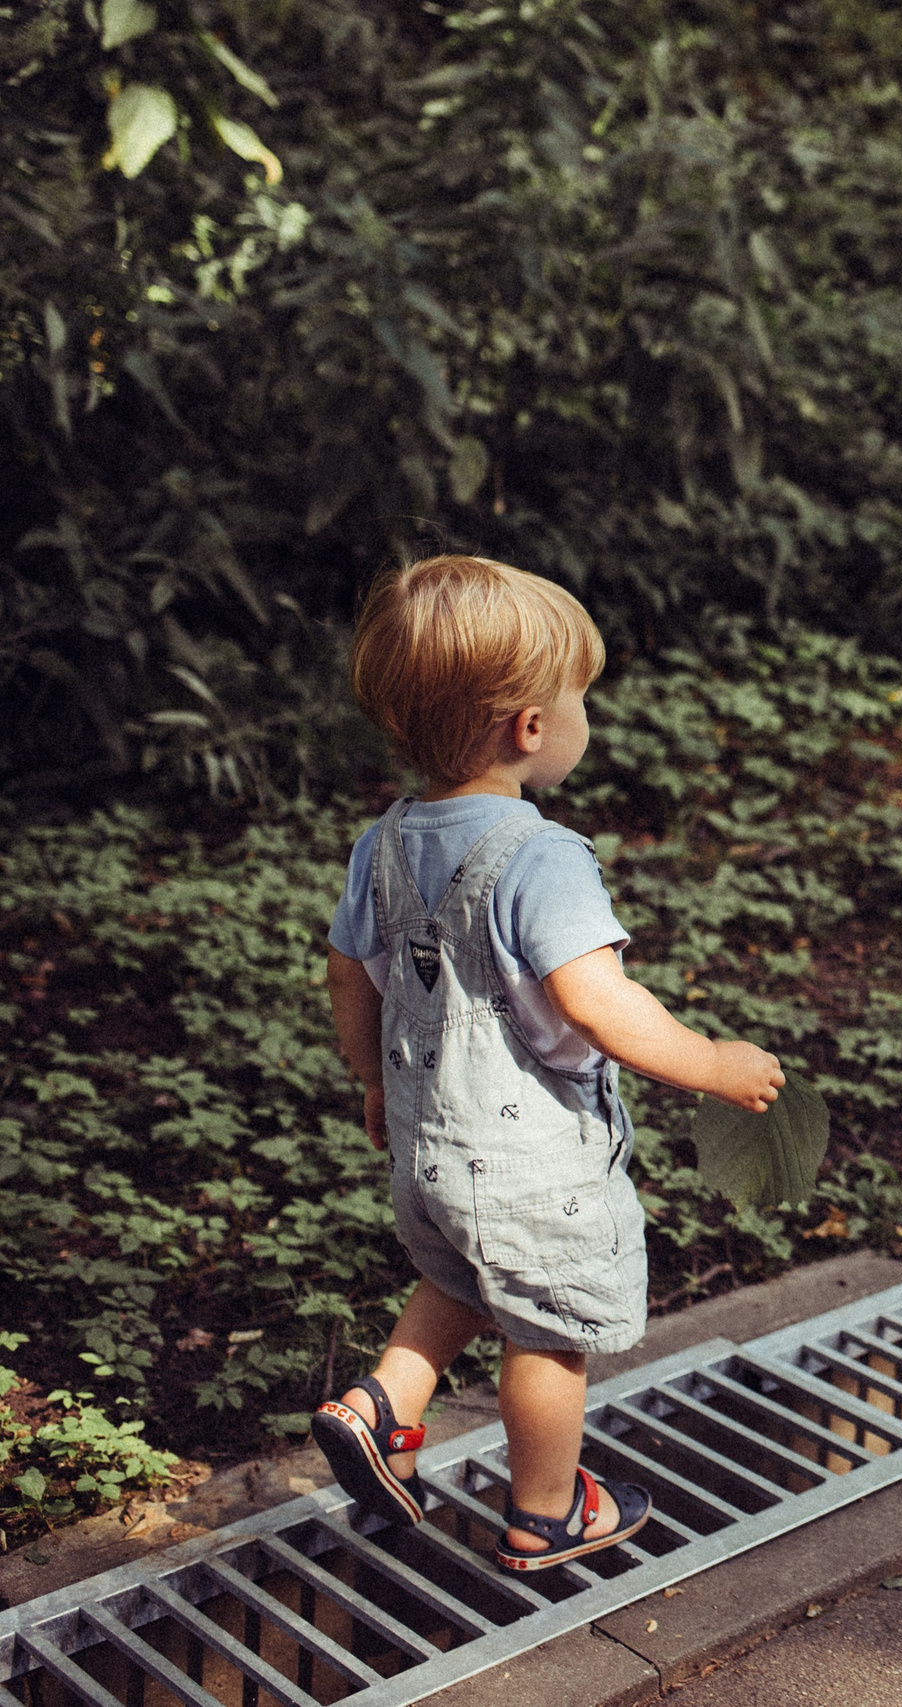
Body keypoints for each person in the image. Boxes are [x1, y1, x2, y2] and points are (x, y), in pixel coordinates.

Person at [311, 554, 785, 1571]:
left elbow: (351, 978)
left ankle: (381, 1404)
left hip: (426, 1153)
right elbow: (598, 1001)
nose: (584, 719)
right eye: (581, 700)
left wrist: (368, 1084)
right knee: (547, 1333)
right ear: (531, 727)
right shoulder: (543, 856)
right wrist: (712, 1062)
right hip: (534, 1173)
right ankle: (549, 1511)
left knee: (457, 1280)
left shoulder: (381, 846)